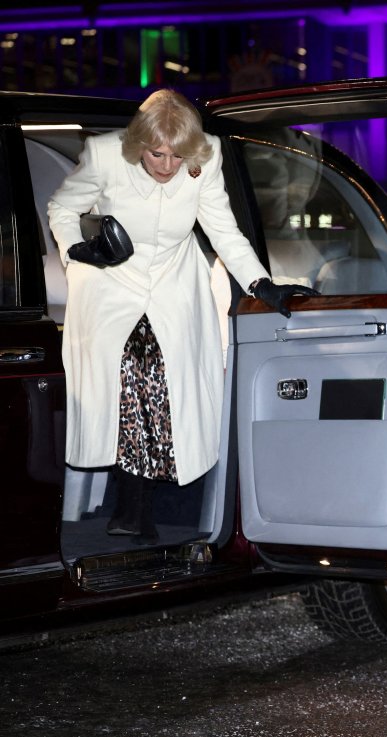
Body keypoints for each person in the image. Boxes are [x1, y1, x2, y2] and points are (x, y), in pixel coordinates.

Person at [48, 89, 315, 540]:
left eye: (177, 156)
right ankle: (133, 506)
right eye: (157, 154)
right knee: (135, 377)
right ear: (138, 144)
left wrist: (261, 284)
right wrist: (79, 250)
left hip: (173, 283)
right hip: (112, 282)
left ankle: (141, 505)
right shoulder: (105, 155)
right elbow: (62, 207)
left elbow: (224, 231)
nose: (168, 166)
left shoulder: (203, 161)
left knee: (163, 387)